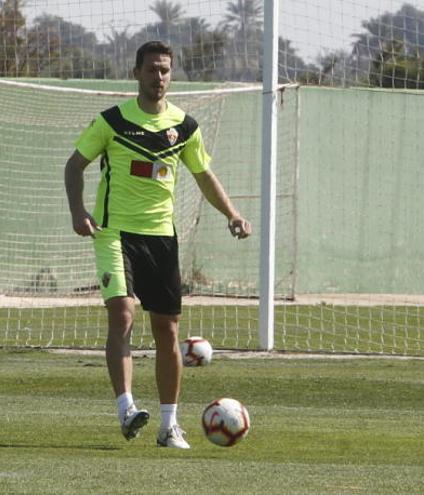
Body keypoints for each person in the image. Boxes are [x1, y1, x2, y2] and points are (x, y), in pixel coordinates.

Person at [64, 41, 252, 449]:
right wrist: (78, 211)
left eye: (165, 70)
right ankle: (127, 409)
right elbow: (74, 164)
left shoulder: (184, 127)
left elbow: (204, 176)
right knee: (123, 314)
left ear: (172, 75)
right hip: (115, 233)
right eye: (151, 69)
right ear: (136, 73)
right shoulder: (112, 121)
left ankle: (169, 426)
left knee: (167, 330)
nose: (159, 77)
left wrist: (232, 214)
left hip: (162, 238)